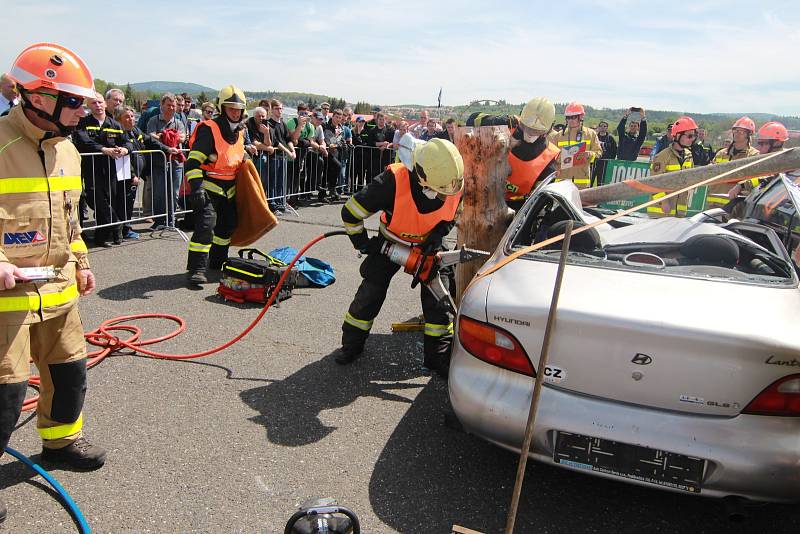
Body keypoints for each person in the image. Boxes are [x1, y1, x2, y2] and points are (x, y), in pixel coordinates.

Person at [0, 43, 106, 524]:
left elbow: (72, 222)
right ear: (39, 97)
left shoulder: (68, 152)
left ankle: (60, 441)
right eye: (75, 100)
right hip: (6, 299)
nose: (83, 110)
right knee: (5, 391)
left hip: (58, 291)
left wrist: (81, 263)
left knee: (69, 373)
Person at [338, 138, 464, 378]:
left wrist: (437, 237)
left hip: (428, 246)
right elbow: (351, 213)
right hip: (391, 242)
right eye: (435, 191)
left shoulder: (453, 183)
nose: (440, 196)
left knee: (439, 301)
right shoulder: (391, 182)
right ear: (421, 176)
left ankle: (437, 357)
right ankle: (351, 345)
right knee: (370, 294)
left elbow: (451, 216)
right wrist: (365, 244)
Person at [184, 85, 247, 285]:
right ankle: (197, 269)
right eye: (231, 108)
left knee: (227, 227)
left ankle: (217, 262)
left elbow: (235, 157)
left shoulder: (239, 132)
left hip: (230, 189)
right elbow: (192, 162)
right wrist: (197, 188)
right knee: (205, 227)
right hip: (208, 186)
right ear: (222, 108)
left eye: (239, 109)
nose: (235, 113)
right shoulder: (209, 129)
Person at [73, 92, 132, 247]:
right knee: (95, 199)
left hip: (111, 169)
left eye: (99, 102)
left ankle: (102, 237)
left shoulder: (115, 125)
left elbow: (127, 142)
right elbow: (83, 141)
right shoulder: (83, 122)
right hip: (91, 168)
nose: (98, 106)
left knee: (109, 199)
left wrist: (125, 150)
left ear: (105, 104)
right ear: (88, 105)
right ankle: (116, 223)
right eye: (94, 103)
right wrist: (103, 149)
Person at [146, 93, 187, 228]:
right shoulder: (153, 120)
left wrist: (162, 135)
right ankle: (159, 221)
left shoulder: (179, 122)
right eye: (168, 105)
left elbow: (182, 138)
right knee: (159, 193)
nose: (171, 108)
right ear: (162, 105)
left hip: (176, 163)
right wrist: (168, 136)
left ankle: (171, 219)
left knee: (174, 192)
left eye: (173, 105)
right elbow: (151, 136)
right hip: (159, 162)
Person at [726, 121, 789, 209]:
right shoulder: (768, 160)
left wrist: (742, 185)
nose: (758, 148)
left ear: (776, 143)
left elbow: (770, 178)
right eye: (758, 143)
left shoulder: (786, 161)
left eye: (763, 143)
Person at [705, 117, 759, 210]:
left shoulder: (753, 155)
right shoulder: (721, 153)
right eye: (735, 130)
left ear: (748, 134)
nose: (737, 133)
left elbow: (755, 180)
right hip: (713, 205)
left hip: (735, 209)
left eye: (741, 132)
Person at [650, 116, 696, 217]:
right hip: (661, 212)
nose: (692, 139)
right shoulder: (663, 156)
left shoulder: (689, 155)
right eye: (689, 136)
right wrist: (663, 202)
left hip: (679, 212)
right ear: (678, 135)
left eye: (694, 136)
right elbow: (654, 182)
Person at [551, 102, 601, 190]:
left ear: (581, 117)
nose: (570, 120)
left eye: (573, 117)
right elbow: (551, 156)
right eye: (568, 117)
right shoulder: (558, 136)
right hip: (561, 182)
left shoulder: (590, 134)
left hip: (582, 183)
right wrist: (558, 158)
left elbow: (598, 152)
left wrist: (589, 154)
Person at [114, 106, 146, 240]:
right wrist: (133, 175)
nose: (131, 119)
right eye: (127, 116)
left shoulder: (135, 131)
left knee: (129, 202)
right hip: (125, 174)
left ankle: (125, 227)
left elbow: (149, 140)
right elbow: (125, 157)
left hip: (136, 174)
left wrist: (168, 148)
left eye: (132, 116)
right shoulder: (120, 133)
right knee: (123, 203)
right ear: (119, 119)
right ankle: (124, 229)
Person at [593, 120, 617, 187]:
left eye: (604, 126)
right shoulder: (594, 137)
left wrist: (611, 160)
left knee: (601, 182)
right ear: (598, 127)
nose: (603, 127)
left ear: (607, 128)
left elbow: (614, 150)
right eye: (601, 126)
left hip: (605, 163)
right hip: (595, 162)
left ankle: (599, 196)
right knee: (590, 181)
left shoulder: (610, 138)